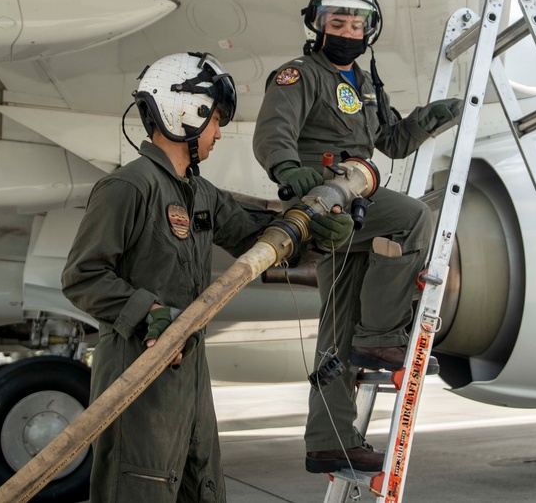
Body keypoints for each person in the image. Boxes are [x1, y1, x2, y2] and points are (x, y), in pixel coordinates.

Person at [62, 51, 354, 502]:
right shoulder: (128, 187)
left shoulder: (201, 194)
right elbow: (83, 275)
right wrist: (150, 313)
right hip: (140, 373)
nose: (218, 133)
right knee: (140, 489)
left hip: (191, 376)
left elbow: (261, 239)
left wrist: (316, 232)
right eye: (216, 119)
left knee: (202, 488)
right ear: (186, 112)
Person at [252, 0, 462, 474]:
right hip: (326, 198)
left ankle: (330, 442)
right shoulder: (299, 76)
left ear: (370, 29)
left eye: (355, 21)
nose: (346, 29)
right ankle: (382, 333)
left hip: (357, 207)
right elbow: (273, 134)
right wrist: (289, 174)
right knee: (413, 218)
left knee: (334, 332)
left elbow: (391, 141)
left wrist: (431, 118)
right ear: (317, 24)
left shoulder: (364, 84)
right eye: (336, 20)